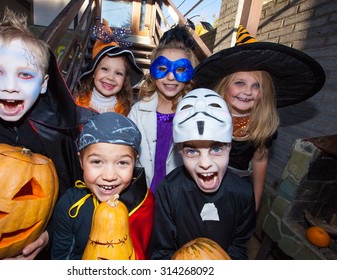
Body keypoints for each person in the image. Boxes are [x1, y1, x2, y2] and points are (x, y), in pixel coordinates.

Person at [0, 5, 95, 259]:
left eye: (25, 74)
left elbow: (70, 193)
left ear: (44, 84)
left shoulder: (57, 134)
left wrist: (48, 234)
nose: (10, 86)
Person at [194, 25, 325, 211]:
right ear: (224, 86)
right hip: (201, 185)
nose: (248, 91)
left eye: (256, 86)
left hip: (237, 191)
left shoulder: (261, 125)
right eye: (240, 83)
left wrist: (255, 202)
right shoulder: (206, 116)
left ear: (265, 92)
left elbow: (259, 161)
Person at [148, 88, 256, 260]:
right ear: (180, 152)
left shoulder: (243, 192)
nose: (205, 163)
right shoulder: (168, 191)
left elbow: (239, 246)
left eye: (216, 149)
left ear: (229, 147)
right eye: (192, 151)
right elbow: (161, 252)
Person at [50, 112, 154, 260]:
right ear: (81, 161)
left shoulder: (146, 204)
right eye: (97, 162)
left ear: (135, 162)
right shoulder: (69, 206)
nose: (109, 176)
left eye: (122, 163)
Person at [128, 24, 197, 192]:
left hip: (179, 195)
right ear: (153, 71)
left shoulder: (195, 113)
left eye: (180, 69)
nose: (171, 77)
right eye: (162, 69)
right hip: (141, 193)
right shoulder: (137, 112)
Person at [75, 19, 144, 115]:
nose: (110, 77)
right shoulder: (78, 104)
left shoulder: (126, 112)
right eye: (105, 69)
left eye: (118, 73)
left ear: (124, 80)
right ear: (93, 72)